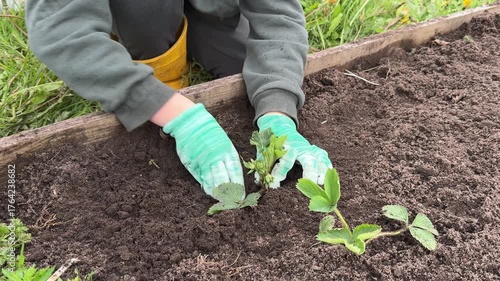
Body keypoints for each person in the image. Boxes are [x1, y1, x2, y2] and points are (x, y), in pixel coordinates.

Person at [25, 0, 333, 195]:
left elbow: (276, 12)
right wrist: (179, 116)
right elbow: (60, 30)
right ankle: (155, 66)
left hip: (209, 11)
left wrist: (277, 110)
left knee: (248, 65)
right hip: (138, 12)